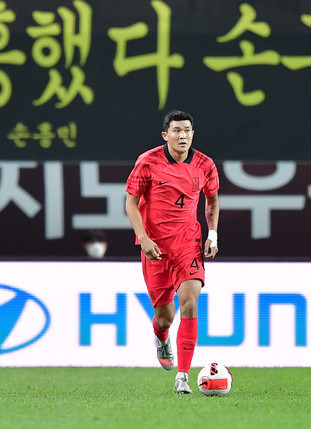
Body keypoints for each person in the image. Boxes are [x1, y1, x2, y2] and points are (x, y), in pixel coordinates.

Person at [125, 110, 220, 394]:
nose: (183, 135)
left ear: (193, 133)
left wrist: (212, 234)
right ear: (166, 135)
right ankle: (162, 336)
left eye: (187, 130)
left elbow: (212, 201)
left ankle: (183, 376)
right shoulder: (147, 162)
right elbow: (131, 202)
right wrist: (142, 238)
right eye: (177, 130)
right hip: (154, 248)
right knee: (164, 316)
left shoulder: (205, 165)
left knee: (190, 303)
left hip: (188, 243)